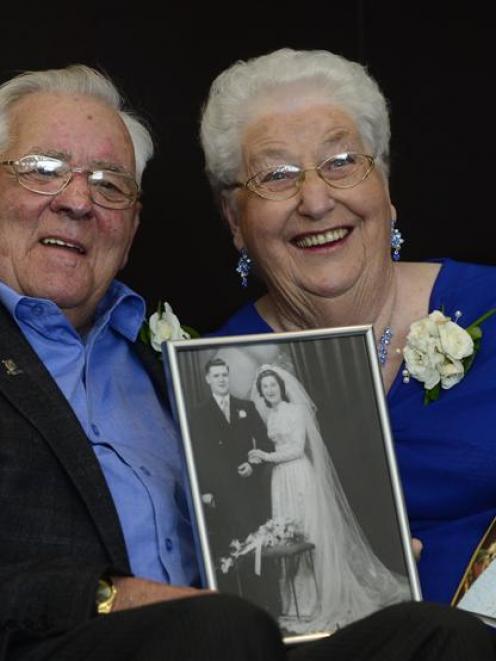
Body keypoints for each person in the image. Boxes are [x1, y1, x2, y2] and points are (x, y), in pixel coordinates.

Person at [0, 62, 493, 661]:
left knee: (447, 640)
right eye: (44, 172)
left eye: (110, 183)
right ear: (235, 223)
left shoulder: (154, 359)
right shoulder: (215, 363)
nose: (78, 199)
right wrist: (116, 598)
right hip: (136, 636)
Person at [199, 47, 496, 654]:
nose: (315, 200)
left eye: (341, 161)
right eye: (276, 175)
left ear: (385, 190)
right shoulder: (211, 376)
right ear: (235, 220)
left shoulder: (492, 306)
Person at [248, 365, 409, 635]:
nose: (270, 390)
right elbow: (276, 448)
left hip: (298, 474)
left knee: (310, 534)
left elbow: (297, 449)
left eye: (273, 385)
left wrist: (265, 456)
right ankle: (299, 602)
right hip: (280, 480)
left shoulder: (295, 411)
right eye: (265, 388)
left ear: (281, 386)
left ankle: (323, 599)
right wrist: (259, 457)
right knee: (288, 537)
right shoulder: (271, 416)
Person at [191, 357, 273, 600]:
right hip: (220, 494)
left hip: (249, 490)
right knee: (229, 551)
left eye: (224, 375)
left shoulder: (246, 407)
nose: (221, 379)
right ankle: (237, 605)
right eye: (215, 376)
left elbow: (266, 442)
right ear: (208, 379)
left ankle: (267, 604)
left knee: (257, 546)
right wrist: (205, 491)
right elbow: (197, 454)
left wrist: (253, 465)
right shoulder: (197, 413)